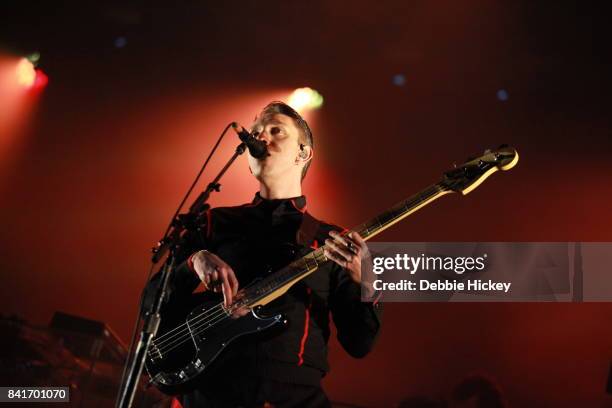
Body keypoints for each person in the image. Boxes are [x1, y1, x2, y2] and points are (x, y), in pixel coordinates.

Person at [144, 102, 382, 407]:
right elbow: (151, 303)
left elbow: (360, 344)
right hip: (211, 392)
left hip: (293, 397)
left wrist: (366, 281)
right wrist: (194, 262)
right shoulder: (214, 222)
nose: (261, 137)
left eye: (275, 130)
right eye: (256, 132)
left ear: (303, 152)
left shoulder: (332, 241)